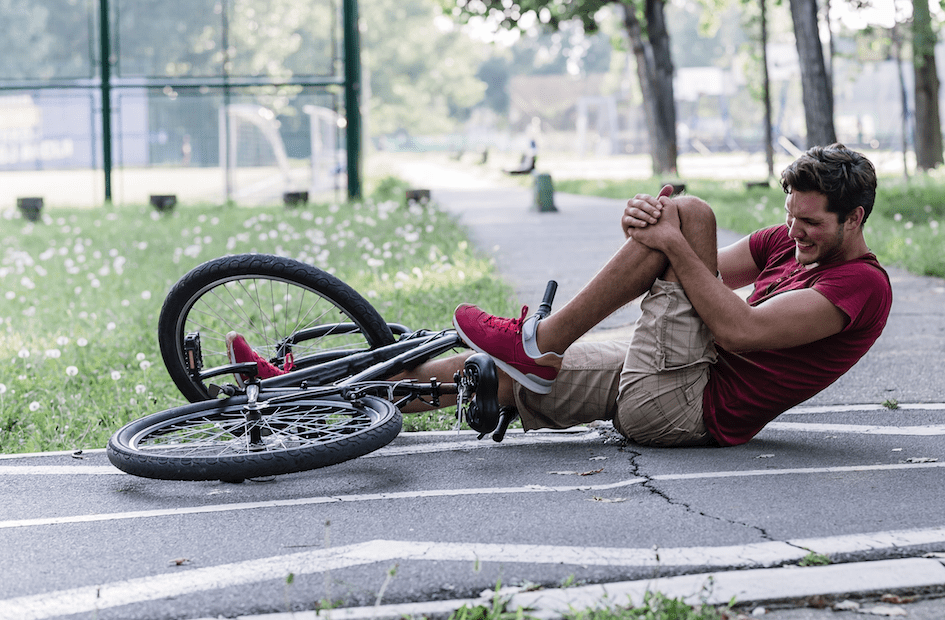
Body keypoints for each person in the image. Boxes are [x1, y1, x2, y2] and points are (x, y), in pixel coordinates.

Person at [228, 143, 893, 448]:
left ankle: (539, 342)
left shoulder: (858, 286)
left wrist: (671, 242)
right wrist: (648, 240)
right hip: (670, 367)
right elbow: (688, 274)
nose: (795, 232)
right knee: (496, 377)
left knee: (689, 214)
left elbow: (737, 332)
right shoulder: (787, 239)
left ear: (854, 218)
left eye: (811, 223)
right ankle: (298, 398)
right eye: (791, 215)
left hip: (685, 409)